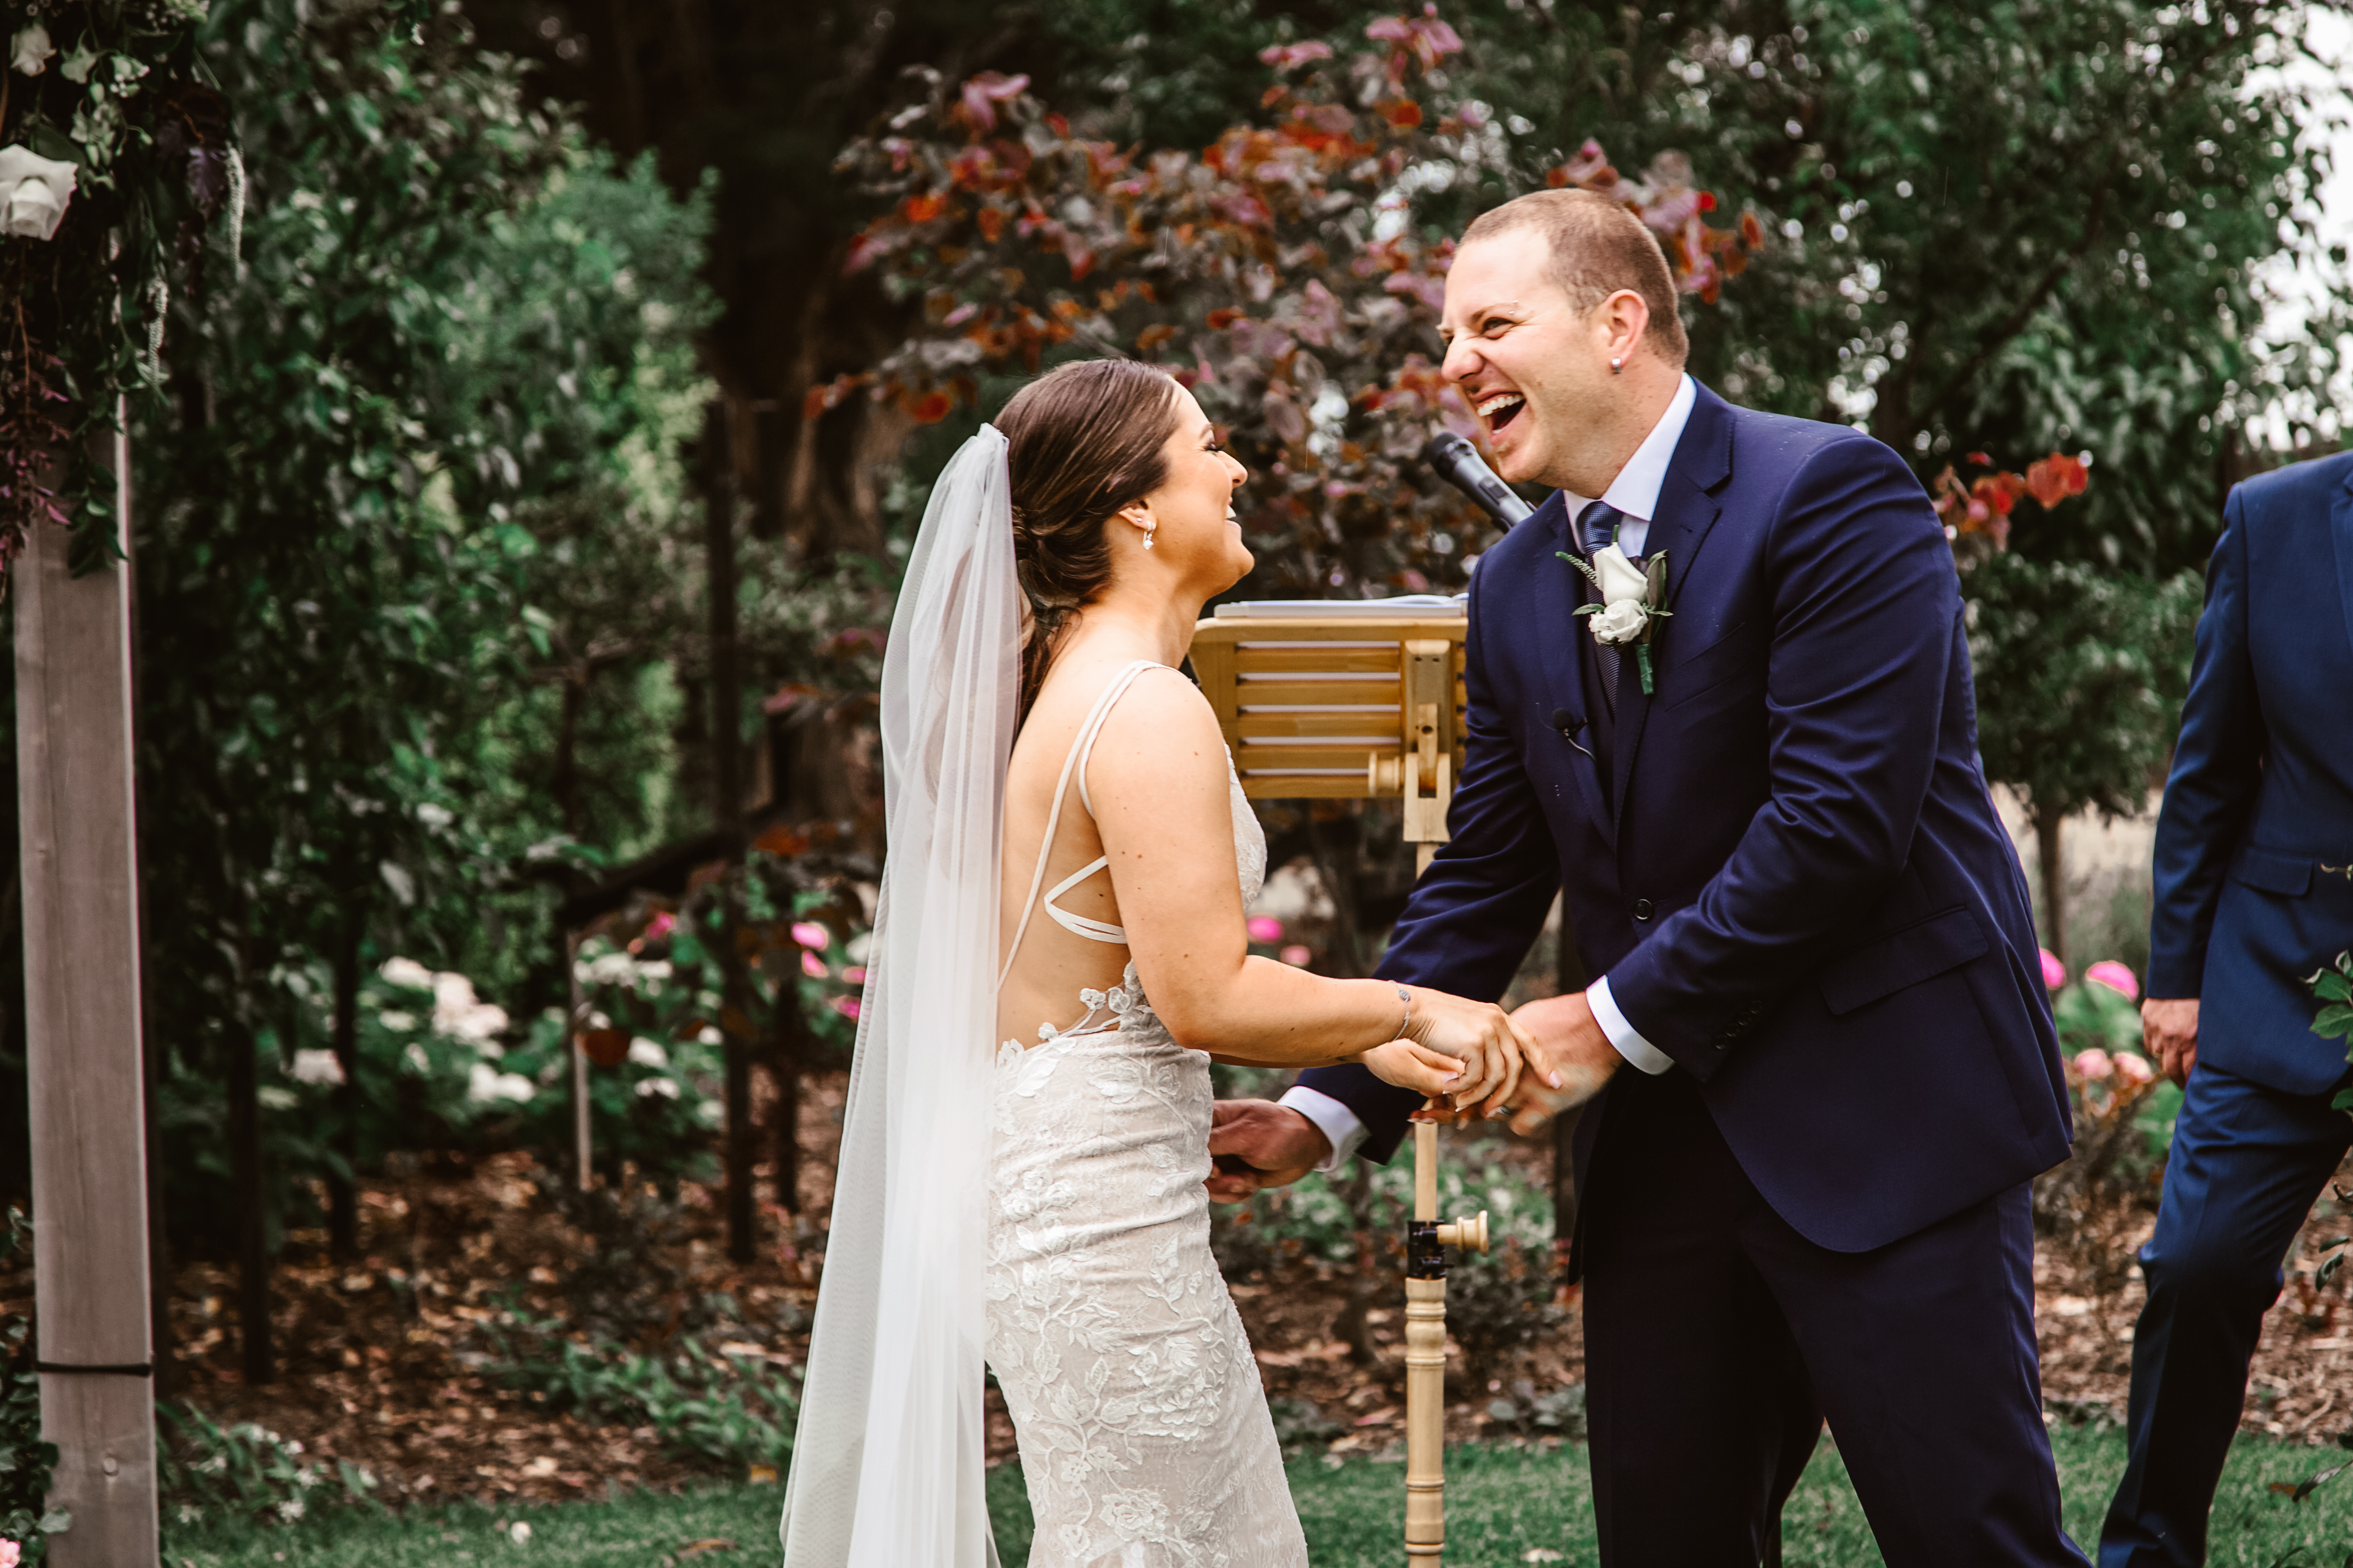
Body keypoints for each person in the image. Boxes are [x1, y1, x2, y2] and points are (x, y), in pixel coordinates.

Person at [1209, 189, 2090, 1567]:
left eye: (1492, 323)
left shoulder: (1833, 492)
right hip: (1660, 1160)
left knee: (1966, 1536)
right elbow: (1486, 876)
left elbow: (1834, 827)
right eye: (1448, 337)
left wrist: (1598, 1021)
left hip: (1886, 1115)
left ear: (1619, 323)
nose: (1454, 364)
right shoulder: (1510, 587)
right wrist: (1332, 1102)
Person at [779, 358, 1547, 1568]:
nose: (1237, 470)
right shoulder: (1139, 707)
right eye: (1210, 447)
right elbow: (1204, 995)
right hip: (1097, 1233)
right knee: (1150, 1544)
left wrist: (1364, 1045)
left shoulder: (1070, 695)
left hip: (1087, 1201)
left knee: (1177, 1537)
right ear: (1136, 506)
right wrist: (1416, 1009)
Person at [2095, 453, 2353, 1566]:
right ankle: (2148, 1550)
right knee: (2196, 1264)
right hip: (2276, 966)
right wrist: (2174, 975)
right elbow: (2206, 767)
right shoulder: (2272, 520)